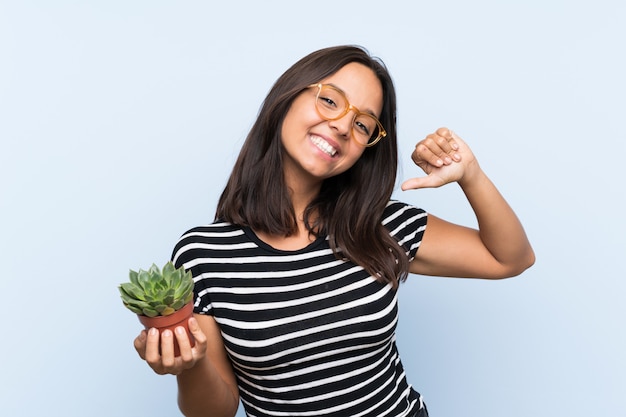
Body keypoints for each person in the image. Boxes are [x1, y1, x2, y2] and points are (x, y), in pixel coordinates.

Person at [133, 45, 535, 417]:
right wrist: (190, 365)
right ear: (288, 97)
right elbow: (215, 411)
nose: (343, 126)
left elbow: (510, 258)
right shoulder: (204, 254)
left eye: (363, 125)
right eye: (329, 100)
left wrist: (471, 174)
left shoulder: (380, 225)